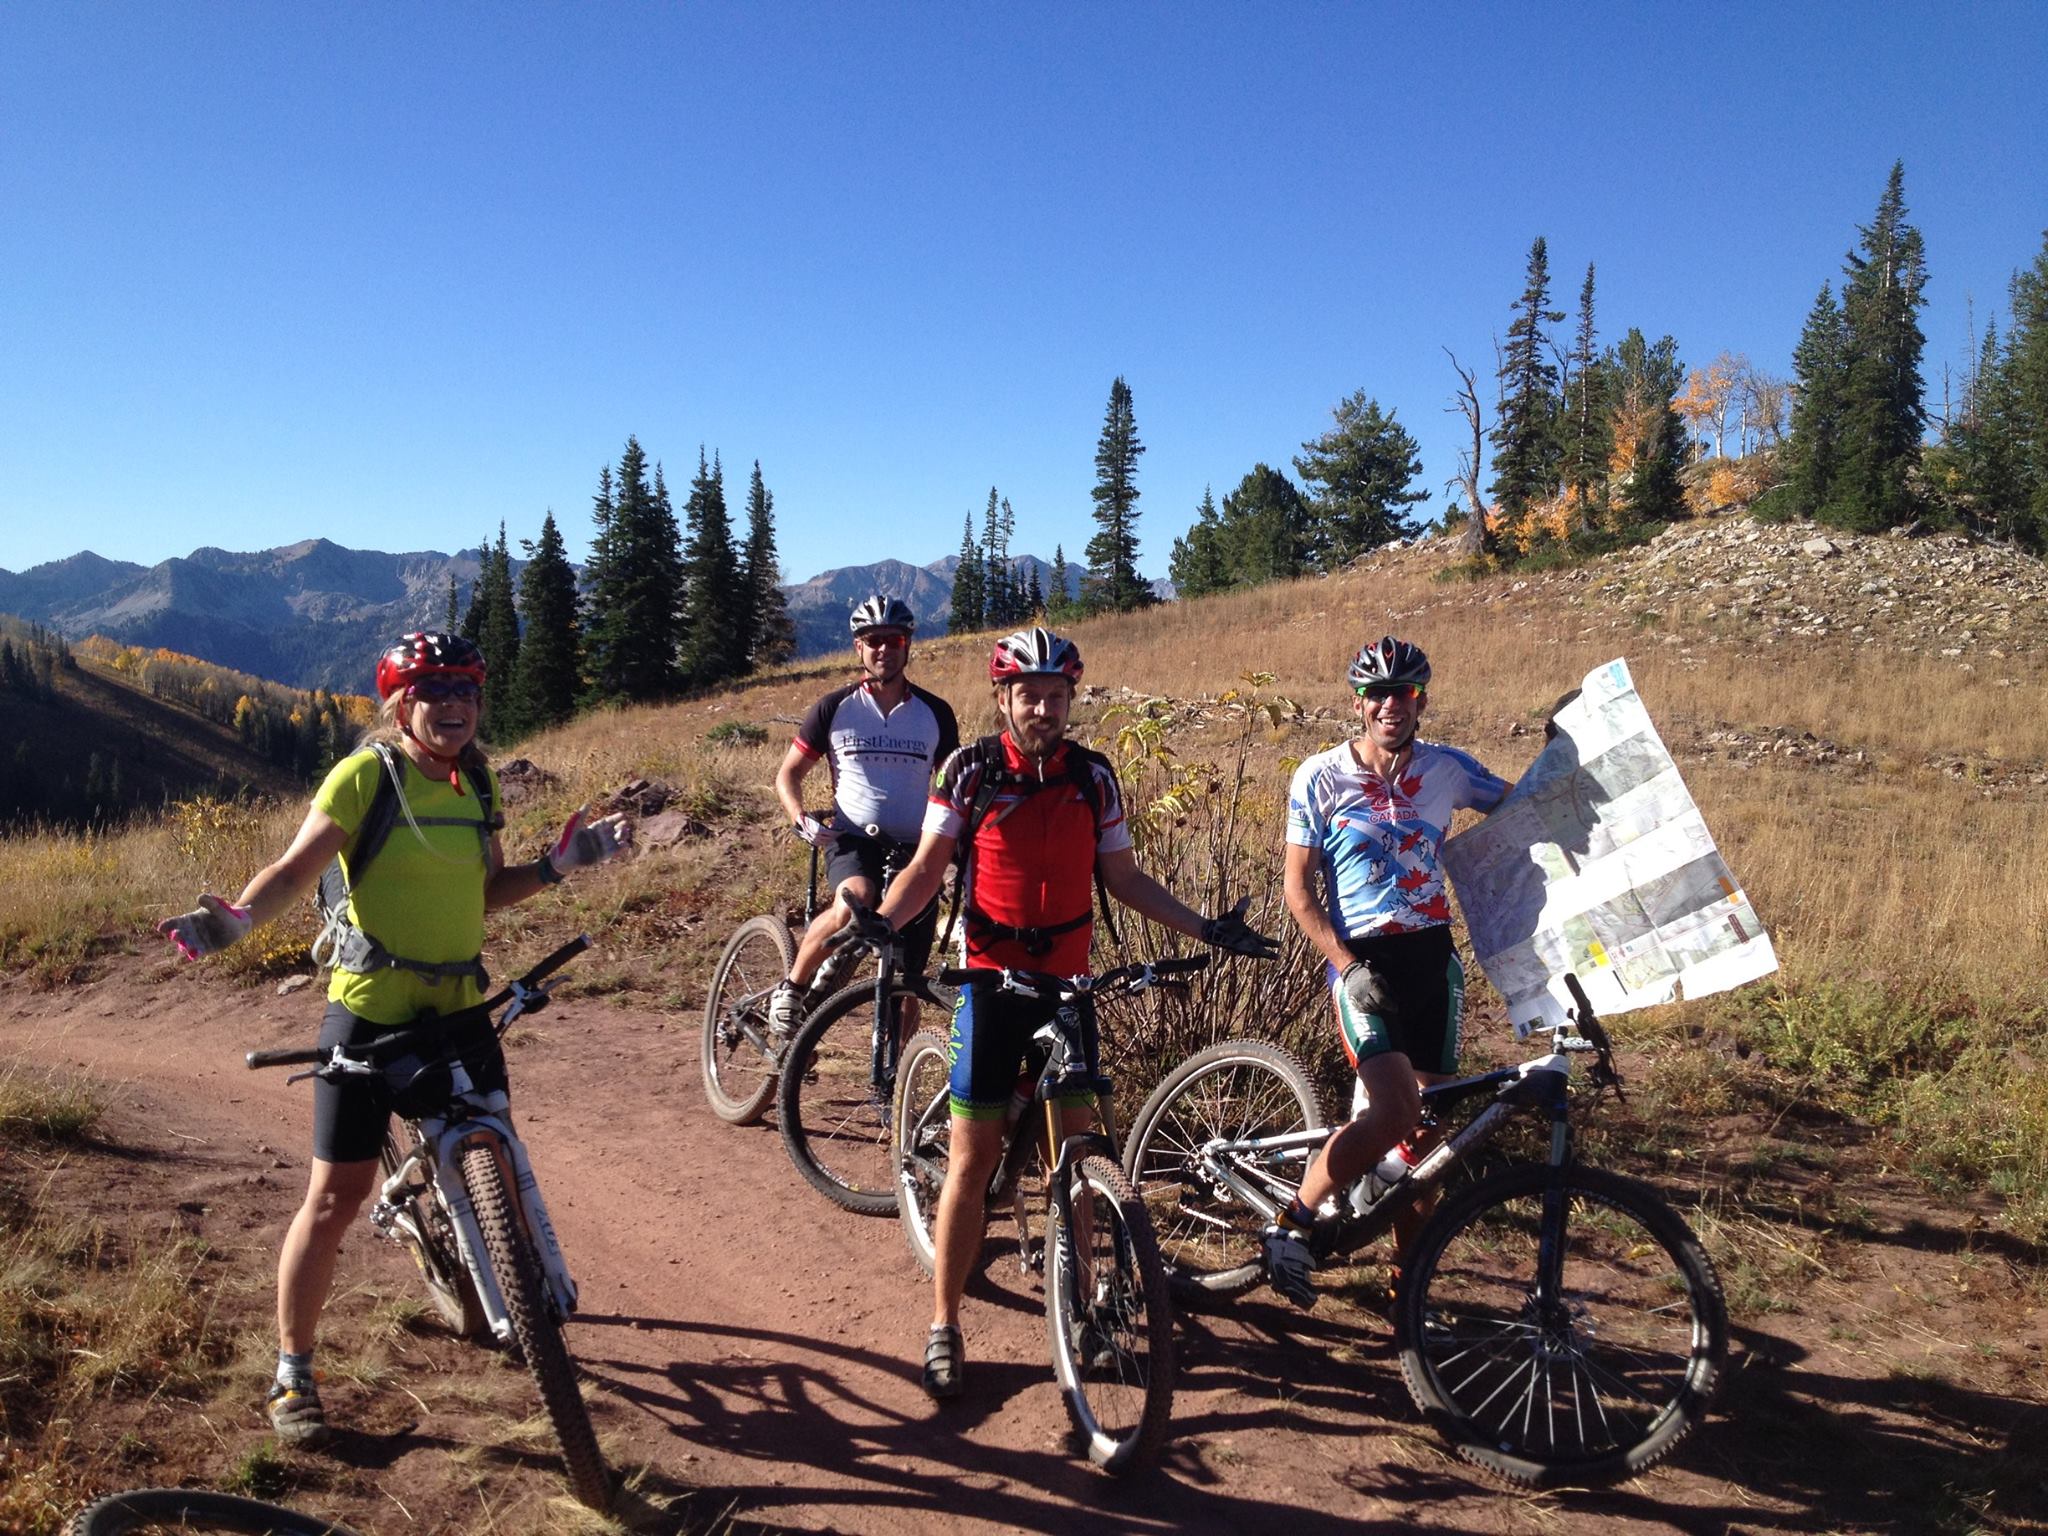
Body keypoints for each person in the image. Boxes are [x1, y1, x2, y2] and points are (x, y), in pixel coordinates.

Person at [155, 632, 631, 1446]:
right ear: (399, 704)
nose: (453, 703)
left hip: (457, 1006)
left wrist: (560, 866)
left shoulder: (478, 779)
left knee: (503, 1156)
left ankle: (521, 1291)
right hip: (370, 1011)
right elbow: (296, 871)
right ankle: (293, 1373)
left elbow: (486, 892)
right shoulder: (367, 775)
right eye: (433, 688)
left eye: (467, 690)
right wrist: (234, 919)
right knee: (335, 1199)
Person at [858, 626, 1278, 1398]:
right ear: (1004, 699)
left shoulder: (1094, 778)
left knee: (1080, 1156)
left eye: (1056, 695)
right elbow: (927, 867)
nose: (1043, 708)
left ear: (1069, 699)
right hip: (990, 983)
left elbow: (1123, 878)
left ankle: (1084, 1300)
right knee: (972, 1159)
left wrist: (1207, 926)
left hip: (1069, 984)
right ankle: (944, 1323)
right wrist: (884, 922)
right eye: (1029, 695)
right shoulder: (970, 770)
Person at [1263, 635, 1510, 1308]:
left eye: (1402, 693)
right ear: (1358, 704)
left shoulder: (1447, 770)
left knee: (1425, 1144)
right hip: (1364, 964)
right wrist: (1344, 967)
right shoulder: (1318, 776)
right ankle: (1292, 1221)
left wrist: (1567, 743)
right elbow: (1297, 889)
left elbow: (1521, 806)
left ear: (1420, 699)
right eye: (1377, 695)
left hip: (1434, 958)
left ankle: (1409, 1287)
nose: (1389, 706)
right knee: (1397, 1107)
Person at [769, 595, 958, 1032]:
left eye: (893, 639)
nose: (883, 649)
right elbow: (788, 775)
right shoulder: (835, 707)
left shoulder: (936, 713)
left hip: (917, 850)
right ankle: (793, 988)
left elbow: (952, 785)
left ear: (908, 644)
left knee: (910, 970)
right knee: (855, 899)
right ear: (858, 647)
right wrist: (800, 817)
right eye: (873, 640)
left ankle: (893, 1079)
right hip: (853, 838)